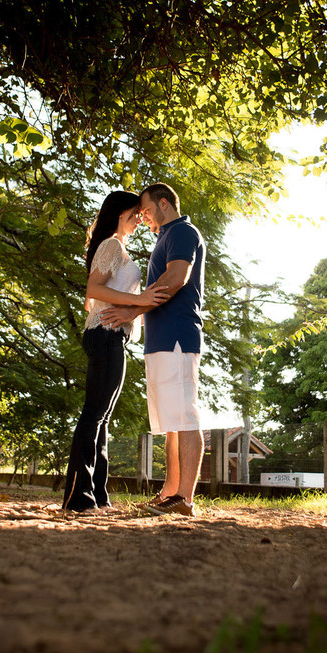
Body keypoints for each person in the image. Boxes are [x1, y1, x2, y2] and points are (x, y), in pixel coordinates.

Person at [61, 191, 171, 513]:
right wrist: (141, 300)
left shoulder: (117, 247)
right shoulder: (111, 244)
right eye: (136, 212)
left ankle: (97, 495)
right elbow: (94, 288)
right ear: (121, 214)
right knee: (95, 414)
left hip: (113, 337)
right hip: (104, 334)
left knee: (102, 417)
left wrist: (138, 308)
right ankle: (78, 497)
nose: (140, 218)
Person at [101, 182, 206, 517]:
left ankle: (185, 500)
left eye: (146, 211)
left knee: (185, 417)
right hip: (160, 341)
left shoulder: (183, 231)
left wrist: (132, 310)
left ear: (164, 204)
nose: (143, 217)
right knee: (172, 421)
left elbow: (176, 278)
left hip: (177, 337)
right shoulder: (165, 236)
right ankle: (170, 493)